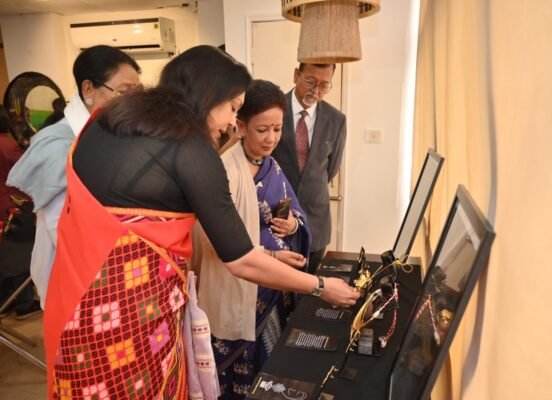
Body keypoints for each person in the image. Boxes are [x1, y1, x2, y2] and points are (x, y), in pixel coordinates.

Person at [43, 45, 358, 400]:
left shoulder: (107, 120)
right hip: (127, 320)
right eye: (233, 108)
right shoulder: (191, 151)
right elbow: (240, 259)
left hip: (70, 301)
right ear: (209, 95)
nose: (232, 124)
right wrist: (320, 286)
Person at [190, 80, 311, 398]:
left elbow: (295, 211)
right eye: (262, 130)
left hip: (275, 292)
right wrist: (272, 256)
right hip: (242, 290)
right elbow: (214, 241)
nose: (271, 138)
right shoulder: (224, 172)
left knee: (271, 373)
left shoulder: (271, 165)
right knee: (242, 380)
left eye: (277, 129)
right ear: (241, 126)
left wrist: (293, 226)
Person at [7, 45, 141, 308]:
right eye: (124, 92)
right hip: (77, 281)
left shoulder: (111, 133)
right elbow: (62, 231)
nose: (133, 103)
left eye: (137, 93)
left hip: (114, 273)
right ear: (88, 89)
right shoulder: (56, 145)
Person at [271, 63, 347, 274]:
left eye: (324, 85)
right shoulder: (274, 109)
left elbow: (331, 169)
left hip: (315, 223)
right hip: (276, 219)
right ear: (296, 75)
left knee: (310, 288)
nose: (315, 91)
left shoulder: (336, 120)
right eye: (310, 82)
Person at [0, 104, 40, 320]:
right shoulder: (7, 146)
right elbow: (28, 171)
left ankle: (5, 301)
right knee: (20, 253)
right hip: (12, 206)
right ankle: (24, 303)